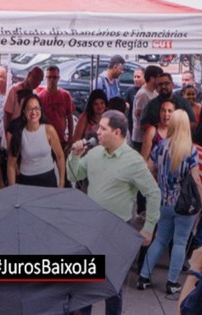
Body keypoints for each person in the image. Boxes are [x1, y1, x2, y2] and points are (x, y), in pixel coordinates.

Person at [67, 110, 161, 315]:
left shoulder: (133, 161)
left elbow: (153, 193)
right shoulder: (94, 154)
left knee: (112, 286)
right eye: (98, 127)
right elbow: (75, 173)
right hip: (92, 227)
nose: (97, 132)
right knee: (86, 283)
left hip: (117, 229)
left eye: (103, 128)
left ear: (117, 132)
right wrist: (74, 157)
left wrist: (149, 227)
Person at [137, 110, 202, 295]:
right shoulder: (190, 150)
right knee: (180, 242)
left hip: (163, 202)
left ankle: (143, 276)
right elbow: (197, 180)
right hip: (183, 204)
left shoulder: (160, 147)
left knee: (159, 239)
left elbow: (149, 169)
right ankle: (172, 282)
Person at [7, 94, 65, 188]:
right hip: (26, 180)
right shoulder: (19, 133)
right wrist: (12, 189)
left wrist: (62, 182)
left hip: (48, 178)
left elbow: (60, 156)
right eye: (29, 109)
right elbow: (11, 164)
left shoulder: (49, 130)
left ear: (41, 110)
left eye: (36, 108)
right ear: (24, 111)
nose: (33, 112)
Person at [38, 65, 74, 150]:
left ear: (58, 78)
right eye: (49, 77)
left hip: (61, 139)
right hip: (45, 140)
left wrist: (70, 138)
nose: (52, 80)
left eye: (54, 77)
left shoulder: (66, 95)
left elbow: (70, 118)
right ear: (46, 78)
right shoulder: (40, 97)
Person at [3, 66, 44, 137]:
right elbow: (7, 115)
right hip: (13, 132)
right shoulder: (14, 90)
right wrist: (7, 135)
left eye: (40, 80)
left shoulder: (35, 94)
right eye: (35, 78)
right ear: (29, 75)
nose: (37, 82)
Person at [132, 65, 163, 152]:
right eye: (158, 78)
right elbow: (139, 114)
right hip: (141, 139)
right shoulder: (143, 94)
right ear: (152, 78)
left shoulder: (154, 93)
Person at [124, 67, 144, 134]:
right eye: (134, 77)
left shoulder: (147, 91)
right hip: (132, 127)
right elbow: (126, 104)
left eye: (138, 77)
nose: (136, 79)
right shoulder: (130, 91)